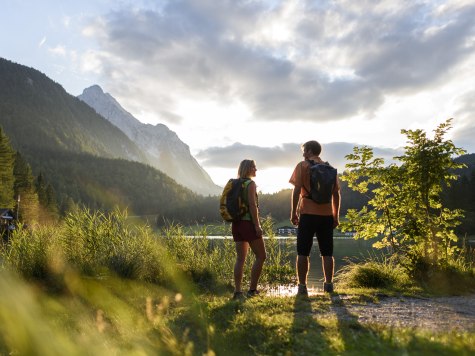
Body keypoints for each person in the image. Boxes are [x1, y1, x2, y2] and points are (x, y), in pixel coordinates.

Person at [289, 141, 341, 295]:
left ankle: (302, 287)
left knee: (303, 251)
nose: (303, 153)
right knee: (327, 252)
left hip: (307, 213)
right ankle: (329, 285)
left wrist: (293, 212)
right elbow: (336, 194)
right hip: (326, 215)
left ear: (310, 151)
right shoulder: (330, 169)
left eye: (304, 150)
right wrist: (335, 215)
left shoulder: (302, 166)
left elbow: (297, 190)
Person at [232, 159, 266, 300]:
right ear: (247, 169)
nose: (256, 170)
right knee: (261, 256)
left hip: (236, 224)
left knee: (240, 259)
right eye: (253, 167)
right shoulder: (250, 184)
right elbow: (252, 205)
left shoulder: (235, 184)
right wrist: (257, 225)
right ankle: (252, 290)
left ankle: (238, 292)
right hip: (248, 223)